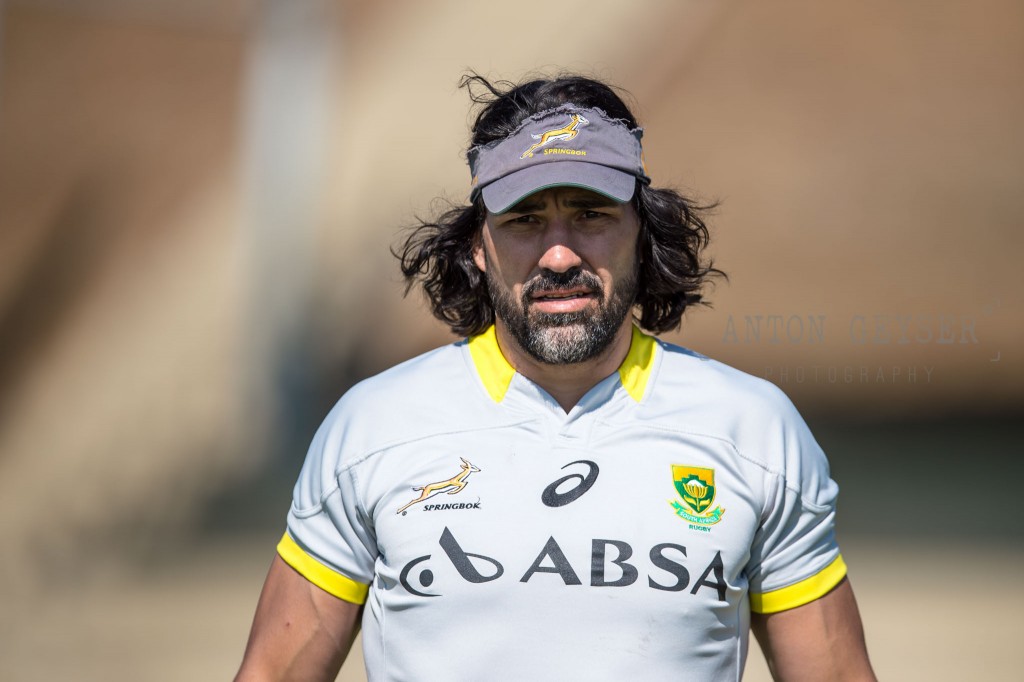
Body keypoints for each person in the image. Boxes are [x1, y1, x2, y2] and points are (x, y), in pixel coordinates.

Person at [236, 73, 876, 681]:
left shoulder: (755, 432)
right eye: (524, 220)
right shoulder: (372, 429)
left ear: (641, 231)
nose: (561, 253)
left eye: (592, 215)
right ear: (478, 247)